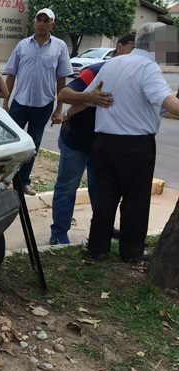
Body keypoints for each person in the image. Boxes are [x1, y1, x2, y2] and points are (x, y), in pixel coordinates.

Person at [79, 23, 179, 262]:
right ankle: (131, 252)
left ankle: (98, 248)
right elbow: (171, 106)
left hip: (104, 141)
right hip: (135, 145)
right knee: (135, 200)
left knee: (105, 198)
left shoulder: (113, 63)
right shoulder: (148, 68)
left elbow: (91, 97)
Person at [49, 32, 136, 245]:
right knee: (67, 187)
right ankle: (59, 233)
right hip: (77, 141)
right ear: (120, 47)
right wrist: (89, 96)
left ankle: (102, 229)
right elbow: (64, 95)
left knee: (103, 191)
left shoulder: (133, 76)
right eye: (133, 48)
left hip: (104, 145)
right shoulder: (95, 71)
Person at [3, 8, 73, 195]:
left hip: (43, 104)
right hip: (20, 101)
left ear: (52, 24)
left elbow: (61, 80)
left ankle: (24, 182)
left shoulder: (60, 47)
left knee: (33, 144)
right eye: (39, 20)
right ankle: (5, 179)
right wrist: (6, 102)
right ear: (34, 23)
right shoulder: (22, 45)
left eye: (46, 20)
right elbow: (11, 74)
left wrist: (59, 108)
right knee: (12, 141)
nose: (41, 23)